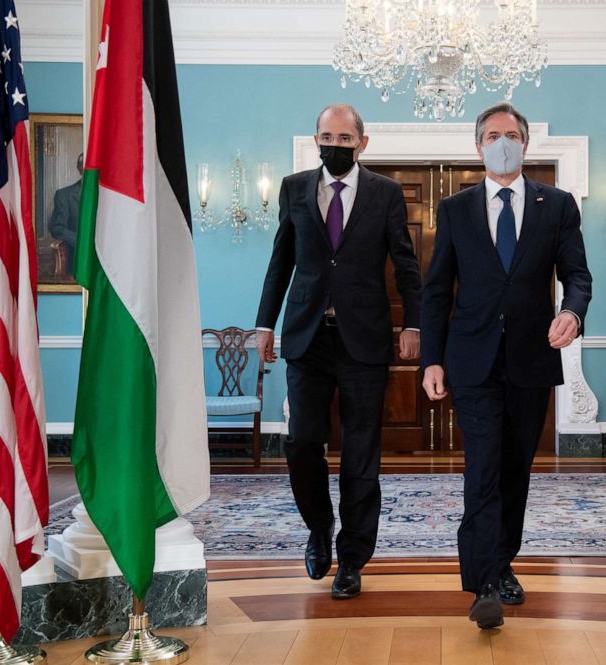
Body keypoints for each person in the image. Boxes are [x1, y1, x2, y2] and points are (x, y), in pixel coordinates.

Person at [420, 102, 592, 629]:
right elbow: (434, 292)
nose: (502, 141)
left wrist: (573, 313)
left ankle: (503, 562)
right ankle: (484, 583)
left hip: (531, 359)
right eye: (492, 135)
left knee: (515, 469)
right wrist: (431, 359)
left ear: (525, 144)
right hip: (470, 361)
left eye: (511, 134)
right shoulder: (454, 210)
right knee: (484, 468)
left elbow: (578, 276)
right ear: (478, 146)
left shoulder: (557, 204)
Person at [255, 104, 421, 599]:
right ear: (316, 139)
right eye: (327, 136)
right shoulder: (294, 187)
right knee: (303, 442)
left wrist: (414, 323)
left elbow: (406, 265)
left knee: (360, 453)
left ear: (362, 143)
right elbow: (280, 260)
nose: (335, 144)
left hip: (364, 340)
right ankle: (318, 527)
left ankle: (352, 558)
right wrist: (265, 323)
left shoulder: (386, 194)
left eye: (344, 137)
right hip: (306, 337)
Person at [47, 152, 83, 275]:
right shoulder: (64, 195)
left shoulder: (111, 196)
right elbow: (56, 227)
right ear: (80, 169)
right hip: (78, 256)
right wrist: (81, 241)